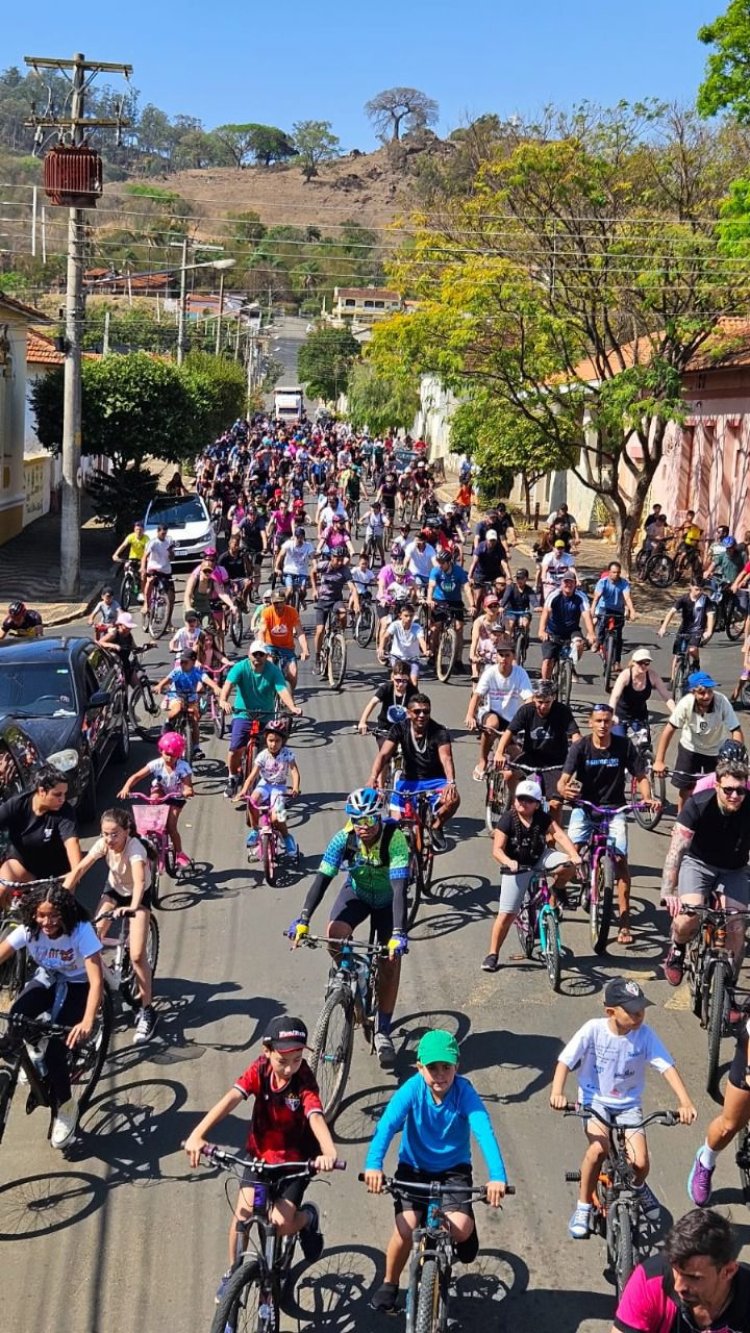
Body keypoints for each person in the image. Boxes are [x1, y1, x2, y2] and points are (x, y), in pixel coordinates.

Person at [183, 1015, 339, 1304]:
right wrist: (198, 1134)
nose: (290, 1067)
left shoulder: (303, 1079)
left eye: (296, 1059)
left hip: (294, 1163)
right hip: (258, 1157)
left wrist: (328, 1151)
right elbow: (230, 1099)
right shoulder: (259, 1070)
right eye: (283, 1060)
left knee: (279, 1223)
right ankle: (233, 1274)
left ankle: (307, 1219)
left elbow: (315, 1116)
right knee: (242, 1216)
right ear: (266, 1051)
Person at [363, 1028, 508, 1313]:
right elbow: (387, 1126)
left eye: (446, 1067)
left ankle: (465, 1224)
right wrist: (373, 1165)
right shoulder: (411, 1089)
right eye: (432, 1068)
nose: (440, 1074)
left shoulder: (464, 1092)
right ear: (420, 1068)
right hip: (413, 1168)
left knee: (462, 1230)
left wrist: (497, 1177)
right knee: (406, 1226)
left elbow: (484, 1131)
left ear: (457, 1067)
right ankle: (390, 1282)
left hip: (453, 1170)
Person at [550, 977, 696, 1240]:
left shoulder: (645, 1035)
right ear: (611, 1012)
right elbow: (564, 1062)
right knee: (598, 1149)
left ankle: (639, 1187)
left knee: (640, 1162)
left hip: (628, 1104)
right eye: (633, 1011)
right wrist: (557, 1092)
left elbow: (666, 1067)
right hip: (595, 1101)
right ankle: (583, 1206)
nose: (640, 1016)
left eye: (642, 1010)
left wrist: (684, 1102)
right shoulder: (592, 1030)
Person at [290, 788, 411, 1069]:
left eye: (369, 820)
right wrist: (303, 920)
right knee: (334, 933)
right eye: (357, 820)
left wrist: (397, 935)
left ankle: (382, 1030)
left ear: (379, 817)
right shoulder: (342, 840)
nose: (363, 827)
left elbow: (400, 889)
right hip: (356, 893)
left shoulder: (395, 841)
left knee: (390, 962)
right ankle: (352, 971)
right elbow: (321, 880)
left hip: (387, 900)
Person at [0, 883, 104, 1148]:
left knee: (56, 1052)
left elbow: (96, 981)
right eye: (41, 915)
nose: (47, 922)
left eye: (53, 915)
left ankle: (66, 1108)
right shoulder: (29, 929)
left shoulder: (81, 931)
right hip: (47, 978)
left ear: (65, 913)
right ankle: (32, 1055)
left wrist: (88, 1020)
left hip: (78, 985)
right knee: (17, 1017)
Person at [559, 703, 656, 946]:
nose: (602, 725)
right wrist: (565, 792)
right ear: (590, 723)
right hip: (584, 807)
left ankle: (624, 923)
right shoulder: (580, 747)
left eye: (607, 721)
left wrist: (647, 797)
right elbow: (563, 781)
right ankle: (555, 892)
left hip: (614, 810)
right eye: (598, 721)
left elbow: (641, 776)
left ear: (612, 722)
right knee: (572, 856)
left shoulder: (623, 746)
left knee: (621, 863)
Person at [63, 807, 158, 1044]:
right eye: (105, 834)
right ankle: (98, 989)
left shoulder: (135, 849)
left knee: (136, 955)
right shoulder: (103, 844)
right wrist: (59, 896)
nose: (109, 839)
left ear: (127, 831)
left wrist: (134, 907)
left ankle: (147, 1010)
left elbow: (138, 882)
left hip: (137, 897)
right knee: (90, 939)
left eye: (114, 834)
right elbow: (81, 868)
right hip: (114, 890)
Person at [661, 754, 750, 987]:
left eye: (740, 791)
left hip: (734, 869)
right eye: (729, 789)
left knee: (737, 925)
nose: (734, 796)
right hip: (698, 864)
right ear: (717, 784)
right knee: (687, 918)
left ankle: (728, 988)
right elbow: (676, 851)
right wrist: (668, 892)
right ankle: (678, 951)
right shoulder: (698, 803)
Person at [482, 779, 581, 973]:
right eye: (520, 798)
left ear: (537, 804)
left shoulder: (543, 818)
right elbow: (497, 850)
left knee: (568, 865)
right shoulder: (508, 819)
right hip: (516, 866)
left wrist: (574, 854)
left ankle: (558, 889)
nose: (523, 803)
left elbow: (560, 836)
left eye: (528, 800)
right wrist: (509, 862)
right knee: (507, 914)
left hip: (539, 858)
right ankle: (493, 954)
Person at [612, 1208, 750, 1333]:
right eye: (676, 1270)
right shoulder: (649, 1281)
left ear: (728, 1271)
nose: (678, 1286)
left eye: (694, 1277)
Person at [370, 693, 460, 851]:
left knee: (454, 799)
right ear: (408, 713)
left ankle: (436, 826)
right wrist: (373, 778)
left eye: (426, 711)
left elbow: (446, 758)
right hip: (408, 781)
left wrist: (450, 782)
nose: (422, 715)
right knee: (394, 825)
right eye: (417, 711)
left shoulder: (439, 731)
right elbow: (383, 754)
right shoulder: (399, 728)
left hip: (434, 781)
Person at [219, 642, 301, 798]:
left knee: (271, 748)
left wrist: (292, 707)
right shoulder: (240, 667)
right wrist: (223, 700)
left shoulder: (273, 670)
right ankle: (232, 777)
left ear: (266, 656)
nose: (257, 657)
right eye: (254, 654)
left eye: (261, 654)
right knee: (235, 749)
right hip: (243, 714)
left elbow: (281, 689)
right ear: (249, 655)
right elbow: (228, 684)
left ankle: (267, 781)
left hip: (266, 715)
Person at [653, 671, 743, 812]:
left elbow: (736, 730)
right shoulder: (686, 704)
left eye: (709, 691)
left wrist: (737, 760)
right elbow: (668, 730)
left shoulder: (722, 702)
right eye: (701, 693)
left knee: (717, 789)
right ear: (693, 692)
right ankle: (681, 822)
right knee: (686, 789)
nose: (707, 696)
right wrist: (659, 761)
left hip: (715, 750)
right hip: (690, 748)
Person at [496, 679, 582, 816]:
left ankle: (552, 835)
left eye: (547, 702)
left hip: (556, 760)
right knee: (509, 775)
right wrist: (499, 752)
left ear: (553, 698)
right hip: (532, 756)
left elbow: (576, 735)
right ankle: (515, 806)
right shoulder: (526, 710)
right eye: (539, 702)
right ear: (534, 698)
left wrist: (579, 754)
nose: (543, 706)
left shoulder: (562, 711)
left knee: (555, 803)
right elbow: (509, 732)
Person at [0, 765, 81, 906]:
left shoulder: (65, 812)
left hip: (55, 875)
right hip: (23, 867)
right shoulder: (18, 804)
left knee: (55, 911)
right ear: (41, 791)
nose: (62, 799)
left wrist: (76, 872)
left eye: (64, 794)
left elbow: (72, 843)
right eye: (57, 794)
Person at [118, 731, 194, 868]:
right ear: (161, 751)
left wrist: (187, 790)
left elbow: (188, 785)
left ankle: (179, 853)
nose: (168, 758)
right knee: (154, 800)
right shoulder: (156, 764)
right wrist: (126, 787)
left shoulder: (183, 767)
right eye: (166, 753)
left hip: (176, 796)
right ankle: (153, 837)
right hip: (160, 790)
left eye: (172, 755)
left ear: (179, 755)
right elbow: (136, 776)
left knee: (171, 826)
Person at [465, 636, 533, 781]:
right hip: (491, 713)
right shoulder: (490, 672)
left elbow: (529, 700)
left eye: (507, 655)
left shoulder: (520, 673)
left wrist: (529, 720)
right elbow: (477, 695)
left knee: (520, 761)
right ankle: (482, 761)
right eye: (501, 655)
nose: (504, 659)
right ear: (496, 656)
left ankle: (513, 799)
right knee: (492, 724)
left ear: (513, 656)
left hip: (511, 720)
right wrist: (470, 715)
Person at [240, 720, 300, 856]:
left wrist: (295, 788)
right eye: (270, 740)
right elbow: (252, 776)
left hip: (279, 787)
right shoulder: (262, 755)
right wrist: (244, 790)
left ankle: (287, 837)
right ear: (266, 740)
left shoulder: (287, 754)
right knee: (252, 800)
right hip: (265, 784)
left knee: (277, 817)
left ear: (283, 741)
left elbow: (294, 771)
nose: (273, 744)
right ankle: (255, 830)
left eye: (277, 741)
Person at [154, 649, 223, 759]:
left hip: (191, 698)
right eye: (181, 661)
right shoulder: (178, 671)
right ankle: (168, 723)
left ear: (193, 661)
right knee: (176, 710)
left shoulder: (197, 672)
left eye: (185, 662)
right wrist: (160, 686)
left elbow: (206, 679)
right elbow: (168, 679)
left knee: (194, 720)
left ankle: (196, 747)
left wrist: (215, 687)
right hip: (177, 696)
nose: (182, 664)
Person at [538, 571, 596, 682]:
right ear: (561, 583)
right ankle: (545, 684)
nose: (568, 585)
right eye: (566, 582)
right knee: (547, 661)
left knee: (579, 644)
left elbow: (586, 615)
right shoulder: (554, 595)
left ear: (575, 584)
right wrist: (541, 630)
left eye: (571, 582)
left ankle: (572, 665)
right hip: (553, 631)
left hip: (572, 631)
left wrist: (591, 633)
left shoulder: (580, 597)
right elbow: (545, 612)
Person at [310, 550, 360, 671]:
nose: (339, 562)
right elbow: (312, 572)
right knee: (320, 630)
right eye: (337, 559)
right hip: (323, 600)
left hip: (336, 600)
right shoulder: (324, 565)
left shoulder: (344, 570)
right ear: (332, 558)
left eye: (341, 559)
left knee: (343, 614)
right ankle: (317, 657)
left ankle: (339, 635)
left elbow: (352, 587)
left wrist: (357, 603)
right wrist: (314, 589)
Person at [609, 648, 675, 740]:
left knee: (644, 743)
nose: (643, 666)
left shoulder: (652, 676)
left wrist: (676, 713)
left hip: (639, 716)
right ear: (633, 663)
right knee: (619, 743)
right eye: (640, 663)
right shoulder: (625, 675)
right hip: (621, 715)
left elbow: (667, 697)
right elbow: (614, 697)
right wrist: (611, 714)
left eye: (646, 663)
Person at [658, 579, 715, 677]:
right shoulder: (683, 599)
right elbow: (671, 612)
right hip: (684, 629)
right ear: (691, 587)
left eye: (701, 590)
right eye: (697, 589)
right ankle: (673, 679)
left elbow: (710, 615)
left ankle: (696, 661)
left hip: (697, 630)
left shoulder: (705, 600)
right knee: (677, 656)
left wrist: (708, 631)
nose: (699, 592)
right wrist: (663, 628)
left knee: (692, 649)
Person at [259, 587, 309, 695]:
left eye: (280, 602)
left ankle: (289, 695)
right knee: (269, 665)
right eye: (275, 603)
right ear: (272, 603)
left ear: (285, 602)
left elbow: (300, 632)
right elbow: (262, 631)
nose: (278, 606)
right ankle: (267, 693)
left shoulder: (292, 612)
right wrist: (263, 649)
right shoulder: (267, 612)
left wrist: (305, 650)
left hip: (287, 647)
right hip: (270, 645)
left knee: (293, 673)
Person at [427, 550, 470, 674]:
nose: (440, 565)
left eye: (442, 563)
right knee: (436, 627)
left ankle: (458, 660)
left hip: (455, 601)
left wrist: (472, 605)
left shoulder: (458, 571)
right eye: (439, 562)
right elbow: (431, 585)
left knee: (459, 628)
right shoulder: (436, 571)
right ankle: (433, 654)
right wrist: (429, 599)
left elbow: (466, 587)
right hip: (439, 600)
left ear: (449, 562)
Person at [357, 665, 418, 747]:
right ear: (392, 677)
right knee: (386, 753)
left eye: (404, 681)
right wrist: (362, 722)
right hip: (385, 729)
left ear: (408, 679)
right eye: (398, 680)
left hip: (405, 730)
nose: (400, 684)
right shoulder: (386, 688)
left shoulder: (412, 691)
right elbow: (372, 703)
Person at [592, 561, 636, 668]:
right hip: (604, 608)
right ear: (609, 572)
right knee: (601, 625)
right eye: (613, 572)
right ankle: (598, 642)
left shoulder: (624, 583)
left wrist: (632, 610)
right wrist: (592, 609)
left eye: (618, 572)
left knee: (619, 636)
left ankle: (617, 662)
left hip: (618, 610)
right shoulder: (603, 582)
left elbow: (627, 598)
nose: (616, 575)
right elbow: (596, 598)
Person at [382, 603, 428, 684]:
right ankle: (393, 694)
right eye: (406, 616)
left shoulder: (417, 627)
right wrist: (381, 648)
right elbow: (385, 636)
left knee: (414, 681)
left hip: (412, 658)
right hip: (397, 657)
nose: (409, 618)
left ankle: (413, 696)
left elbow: (421, 640)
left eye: (411, 616)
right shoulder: (395, 625)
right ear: (400, 616)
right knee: (396, 678)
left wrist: (425, 651)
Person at [141, 523, 175, 628]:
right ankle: (146, 604)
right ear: (158, 532)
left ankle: (168, 622)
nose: (164, 535)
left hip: (166, 570)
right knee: (150, 581)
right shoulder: (153, 542)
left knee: (171, 597)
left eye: (165, 533)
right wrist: (143, 568)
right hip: (154, 568)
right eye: (162, 533)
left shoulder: (169, 541)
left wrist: (170, 552)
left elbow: (172, 558)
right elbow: (145, 556)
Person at [99, 611, 142, 689]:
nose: (129, 629)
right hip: (115, 667)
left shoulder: (129, 636)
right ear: (119, 625)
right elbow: (100, 642)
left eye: (130, 627)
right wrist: (113, 645)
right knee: (122, 688)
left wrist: (147, 647)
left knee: (138, 688)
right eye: (126, 627)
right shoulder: (114, 634)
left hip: (126, 664)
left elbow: (134, 648)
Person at [275, 526, 315, 604]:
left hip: (302, 572)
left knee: (303, 590)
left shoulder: (308, 546)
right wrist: (277, 568)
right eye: (297, 537)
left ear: (303, 537)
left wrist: (316, 559)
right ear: (294, 536)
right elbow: (281, 555)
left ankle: (301, 600)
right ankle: (285, 606)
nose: (299, 539)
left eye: (301, 537)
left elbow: (312, 556)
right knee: (289, 591)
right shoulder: (289, 544)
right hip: (289, 571)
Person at [112, 519, 148, 588]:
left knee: (143, 575)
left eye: (140, 530)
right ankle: (127, 582)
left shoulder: (146, 538)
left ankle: (142, 591)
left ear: (143, 530)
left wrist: (145, 561)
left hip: (142, 559)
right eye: (137, 530)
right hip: (132, 558)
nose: (138, 532)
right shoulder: (131, 536)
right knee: (126, 566)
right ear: (134, 530)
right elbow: (123, 545)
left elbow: (148, 550)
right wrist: (116, 554)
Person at [501, 568, 533, 637]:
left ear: (526, 578)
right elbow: (506, 597)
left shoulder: (529, 590)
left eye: (521, 578)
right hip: (510, 611)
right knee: (510, 625)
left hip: (524, 612)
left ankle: (525, 636)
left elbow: (534, 599)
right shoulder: (511, 587)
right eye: (517, 578)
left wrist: (537, 606)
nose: (519, 580)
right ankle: (508, 644)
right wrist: (501, 606)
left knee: (525, 623)